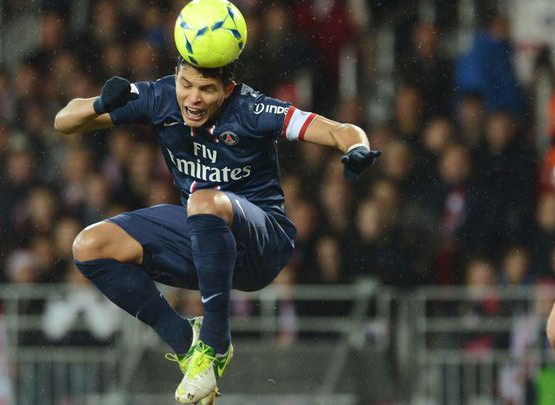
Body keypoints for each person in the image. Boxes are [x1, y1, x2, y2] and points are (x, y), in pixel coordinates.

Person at [54, 58, 380, 403]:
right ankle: (186, 341)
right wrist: (100, 104)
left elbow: (338, 129)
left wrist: (356, 147)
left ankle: (215, 344)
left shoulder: (253, 109)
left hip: (263, 243)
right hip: (205, 237)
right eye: (186, 85)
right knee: (89, 245)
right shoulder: (159, 96)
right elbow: (64, 122)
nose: (193, 98)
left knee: (203, 200)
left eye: (206, 89)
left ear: (226, 91)